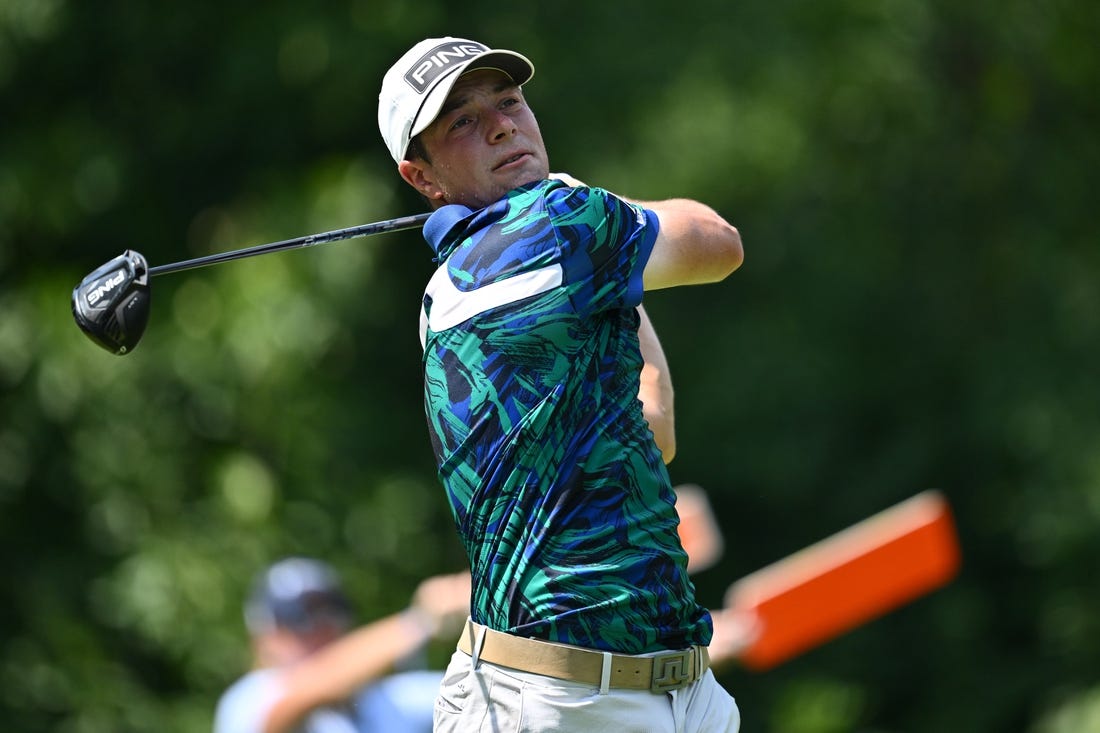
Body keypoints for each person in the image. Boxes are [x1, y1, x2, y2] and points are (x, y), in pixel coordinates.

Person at [377, 36, 745, 731]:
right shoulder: (561, 224)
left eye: (509, 102)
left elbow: (654, 429)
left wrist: (613, 272)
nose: (500, 125)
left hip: (664, 691)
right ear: (421, 178)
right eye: (461, 120)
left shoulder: (448, 291)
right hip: (561, 703)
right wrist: (587, 200)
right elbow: (719, 240)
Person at [213, 557, 470, 733]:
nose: (321, 629)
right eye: (300, 618)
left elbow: (486, 691)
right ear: (265, 635)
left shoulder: (380, 697)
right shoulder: (246, 700)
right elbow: (311, 687)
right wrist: (420, 622)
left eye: (330, 614)